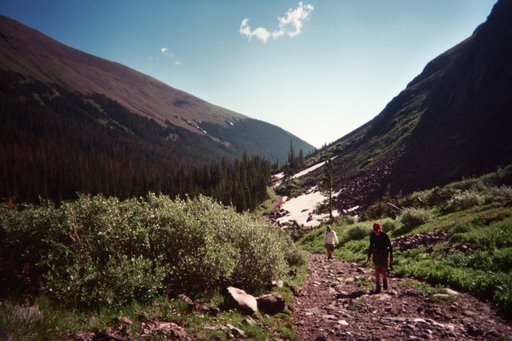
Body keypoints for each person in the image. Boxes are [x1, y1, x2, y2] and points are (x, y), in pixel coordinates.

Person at [366, 221, 393, 293]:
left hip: (384, 254)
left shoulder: (384, 235)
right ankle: (378, 287)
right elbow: (371, 246)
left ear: (380, 229)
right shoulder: (372, 235)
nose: (376, 232)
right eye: (375, 231)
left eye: (377, 230)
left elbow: (390, 247)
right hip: (376, 254)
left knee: (383, 270)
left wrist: (391, 259)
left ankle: (384, 280)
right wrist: (368, 257)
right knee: (377, 269)